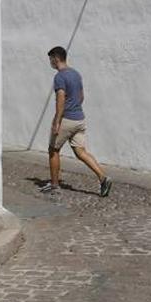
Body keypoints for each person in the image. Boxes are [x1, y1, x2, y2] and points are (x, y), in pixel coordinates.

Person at [43, 46, 113, 196]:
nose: (50, 63)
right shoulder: (76, 74)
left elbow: (60, 100)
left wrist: (57, 121)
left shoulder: (60, 77)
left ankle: (55, 185)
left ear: (56, 58)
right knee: (81, 151)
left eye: (50, 59)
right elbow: (81, 97)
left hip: (66, 120)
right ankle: (103, 177)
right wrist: (74, 108)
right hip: (79, 119)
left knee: (53, 150)